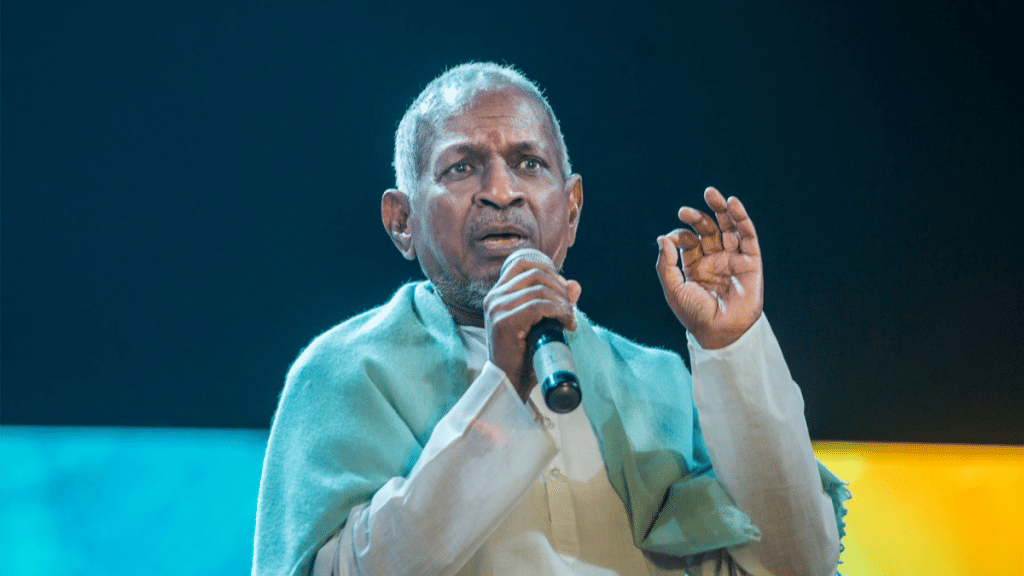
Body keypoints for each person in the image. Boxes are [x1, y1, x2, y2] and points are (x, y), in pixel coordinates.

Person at [254, 62, 849, 576]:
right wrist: (503, 387)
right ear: (401, 222)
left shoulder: (659, 385)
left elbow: (794, 566)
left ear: (571, 209)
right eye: (461, 167)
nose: (501, 191)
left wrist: (733, 349)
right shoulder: (343, 373)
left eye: (529, 163)